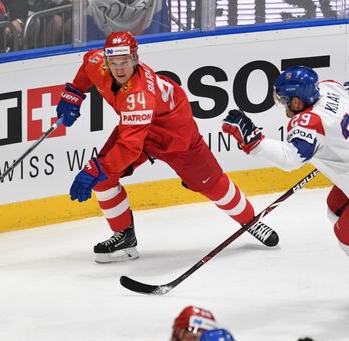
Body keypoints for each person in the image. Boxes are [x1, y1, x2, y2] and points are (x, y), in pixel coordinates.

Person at [56, 31, 278, 263]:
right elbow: (86, 68)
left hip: (176, 136)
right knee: (104, 177)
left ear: (135, 59)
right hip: (136, 129)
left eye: (125, 62)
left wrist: (96, 168)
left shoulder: (139, 95)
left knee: (212, 184)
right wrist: (75, 93)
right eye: (114, 63)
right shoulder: (97, 62)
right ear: (106, 60)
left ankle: (251, 221)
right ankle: (124, 238)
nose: (119, 69)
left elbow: (129, 149)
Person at [222, 66, 349, 300]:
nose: (283, 106)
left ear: (296, 102)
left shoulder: (307, 122)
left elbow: (291, 158)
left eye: (285, 101)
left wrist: (254, 142)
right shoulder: (329, 87)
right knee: (337, 209)